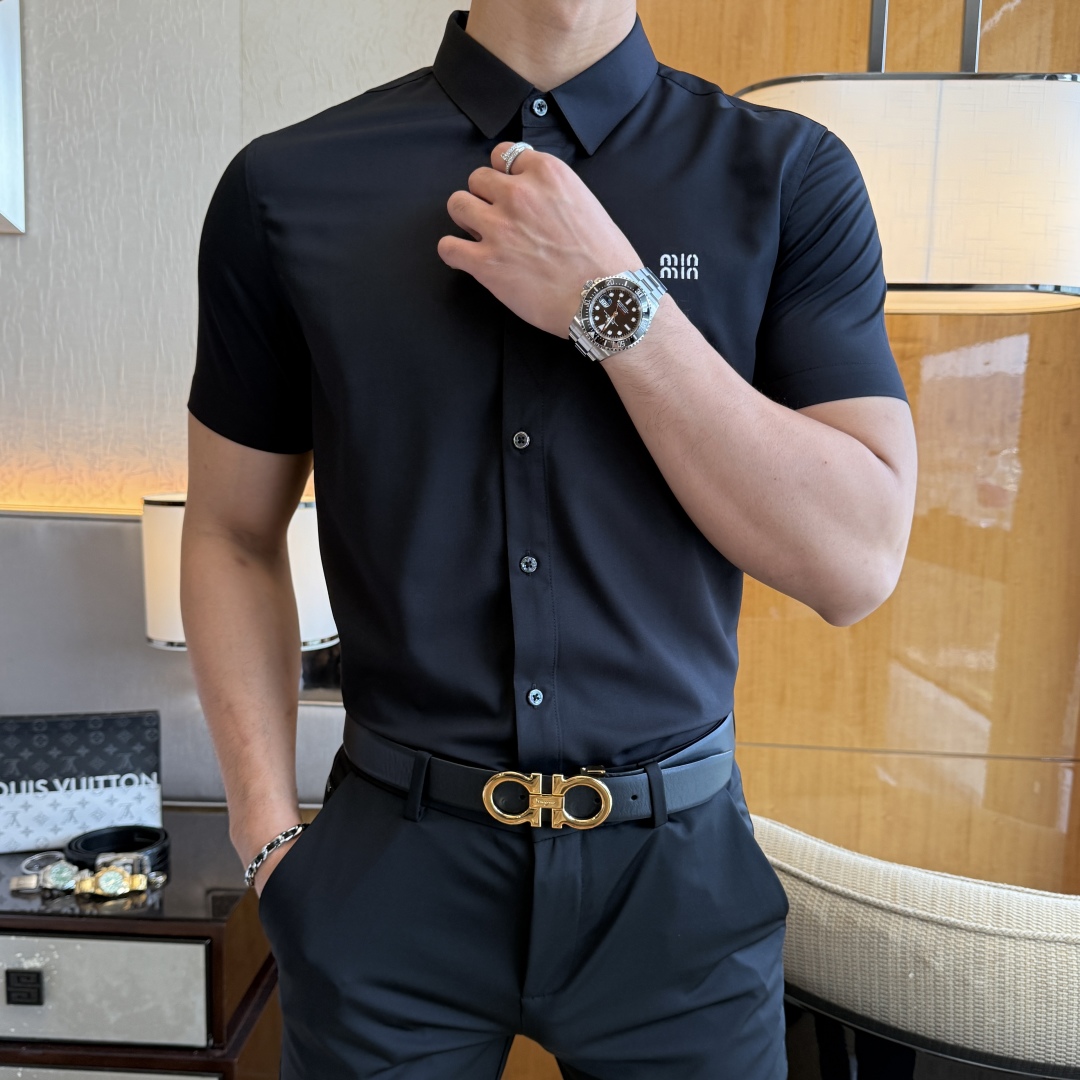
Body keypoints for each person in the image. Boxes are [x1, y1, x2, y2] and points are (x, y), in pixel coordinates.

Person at [181, 2, 917, 1077]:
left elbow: (855, 563)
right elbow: (231, 533)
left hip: (678, 890)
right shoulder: (285, 186)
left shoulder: (787, 175)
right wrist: (266, 835)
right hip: (387, 873)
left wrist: (615, 304)